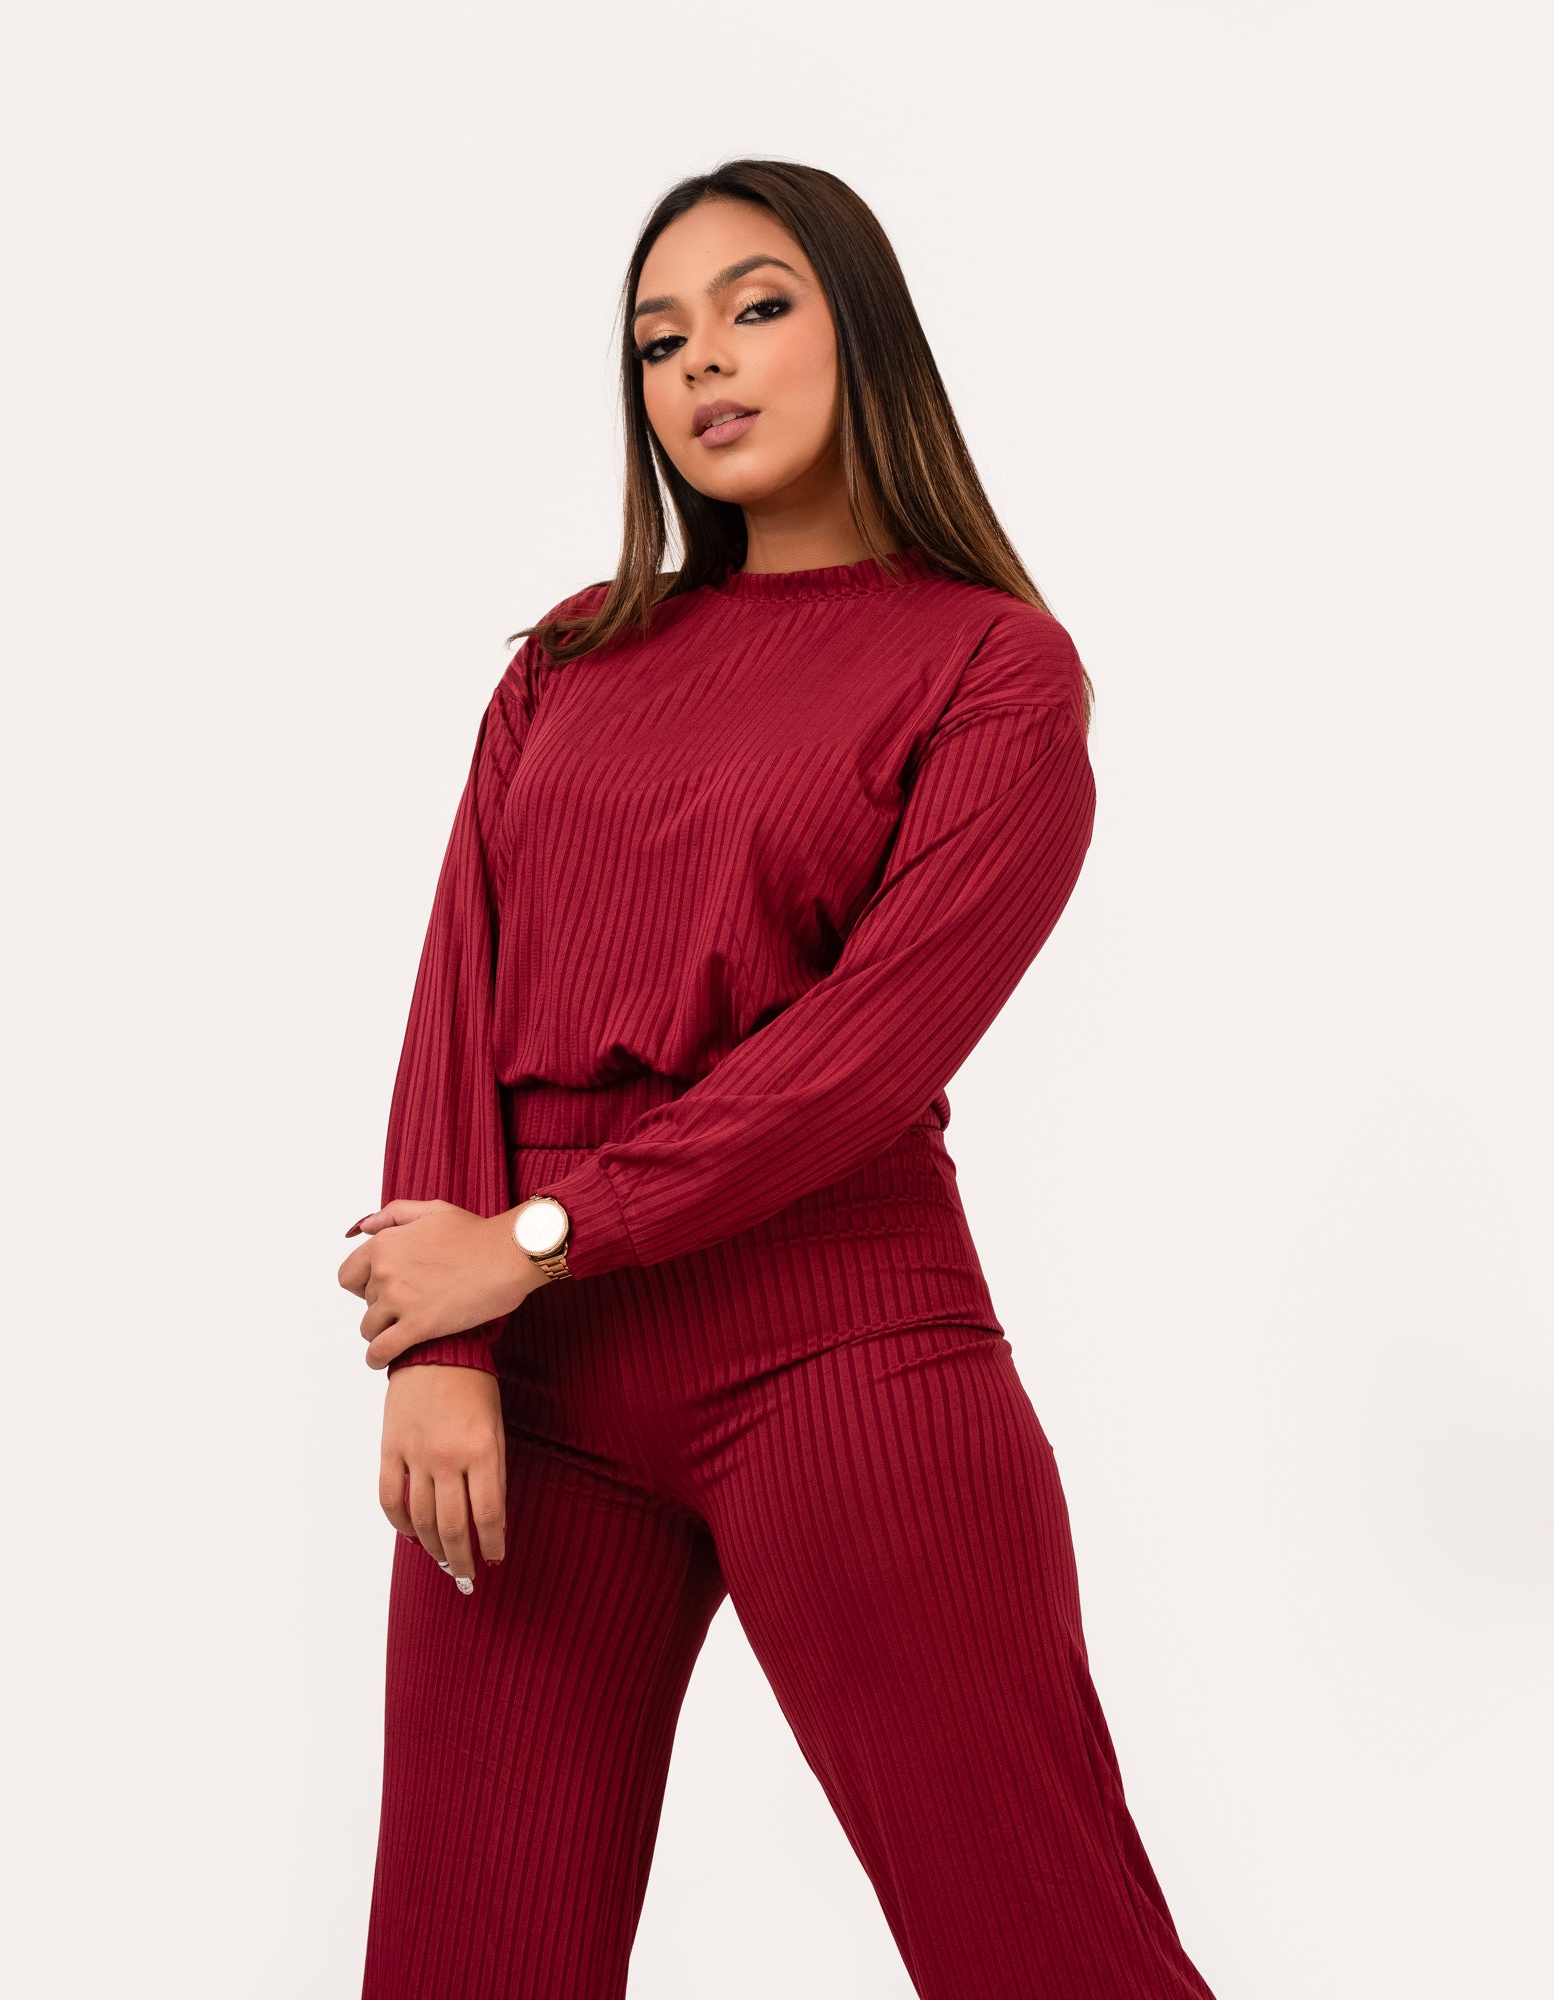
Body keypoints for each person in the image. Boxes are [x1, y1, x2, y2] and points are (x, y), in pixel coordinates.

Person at [340, 158, 1217, 2000]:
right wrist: (441, 1346)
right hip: (531, 1376)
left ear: (862, 333)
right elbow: (460, 987)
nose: (702, 365)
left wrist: (544, 1237)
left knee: (1043, 1950)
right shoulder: (571, 657)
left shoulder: (993, 669)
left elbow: (862, 1053)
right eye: (659, 340)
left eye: (754, 308)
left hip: (835, 1345)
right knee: (459, 1966)